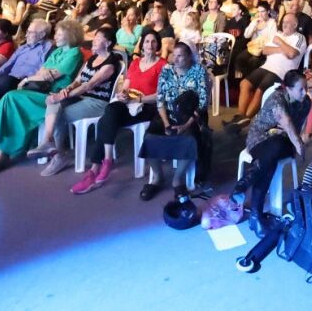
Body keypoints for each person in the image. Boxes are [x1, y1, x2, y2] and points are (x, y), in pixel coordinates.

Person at [0, 18, 85, 176]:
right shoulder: (58, 52)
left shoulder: (74, 53)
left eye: (59, 34)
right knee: (10, 99)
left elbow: (52, 75)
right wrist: (42, 74)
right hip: (42, 92)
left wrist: (27, 79)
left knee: (11, 98)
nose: (55, 37)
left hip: (55, 97)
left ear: (70, 35)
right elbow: (42, 72)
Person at [70, 29, 166, 194]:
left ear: (158, 45)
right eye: (147, 41)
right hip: (129, 103)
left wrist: (139, 99)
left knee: (105, 120)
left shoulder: (163, 65)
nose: (150, 45)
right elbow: (126, 85)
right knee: (110, 112)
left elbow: (162, 94)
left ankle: (96, 168)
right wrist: (123, 93)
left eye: (153, 42)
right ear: (142, 44)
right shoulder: (135, 63)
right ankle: (104, 162)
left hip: (148, 106)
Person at [29, 24, 122, 177]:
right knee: (53, 102)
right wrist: (67, 89)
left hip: (97, 102)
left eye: (99, 38)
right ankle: (47, 141)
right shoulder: (92, 58)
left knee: (59, 114)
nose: (94, 41)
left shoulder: (110, 64)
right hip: (82, 96)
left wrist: (65, 95)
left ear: (108, 43)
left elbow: (88, 85)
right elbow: (78, 80)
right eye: (95, 37)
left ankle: (60, 156)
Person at [234, 69, 309, 225]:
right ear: (288, 89)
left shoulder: (306, 103)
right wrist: (298, 143)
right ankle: (255, 214)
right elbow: (287, 122)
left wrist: (291, 137)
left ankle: (248, 181)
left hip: (283, 141)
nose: (305, 92)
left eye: (306, 88)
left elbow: (294, 128)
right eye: (301, 89)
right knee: (269, 160)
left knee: (275, 149)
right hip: (259, 138)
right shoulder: (277, 98)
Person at [138, 41, 209, 200]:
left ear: (189, 57)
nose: (175, 59)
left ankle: (178, 180)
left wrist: (186, 124)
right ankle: (157, 177)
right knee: (149, 138)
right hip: (167, 114)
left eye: (180, 56)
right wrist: (166, 123)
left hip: (189, 116)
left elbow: (203, 103)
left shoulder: (198, 71)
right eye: (174, 55)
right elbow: (160, 100)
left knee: (190, 140)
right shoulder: (167, 70)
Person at [231, 11, 304, 125]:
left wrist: (279, 42)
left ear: (295, 25)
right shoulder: (278, 34)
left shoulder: (299, 38)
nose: (284, 24)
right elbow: (265, 50)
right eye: (283, 22)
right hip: (267, 67)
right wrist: (281, 49)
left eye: (287, 22)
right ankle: (240, 117)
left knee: (260, 90)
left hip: (281, 72)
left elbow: (291, 54)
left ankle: (244, 120)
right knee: (244, 83)